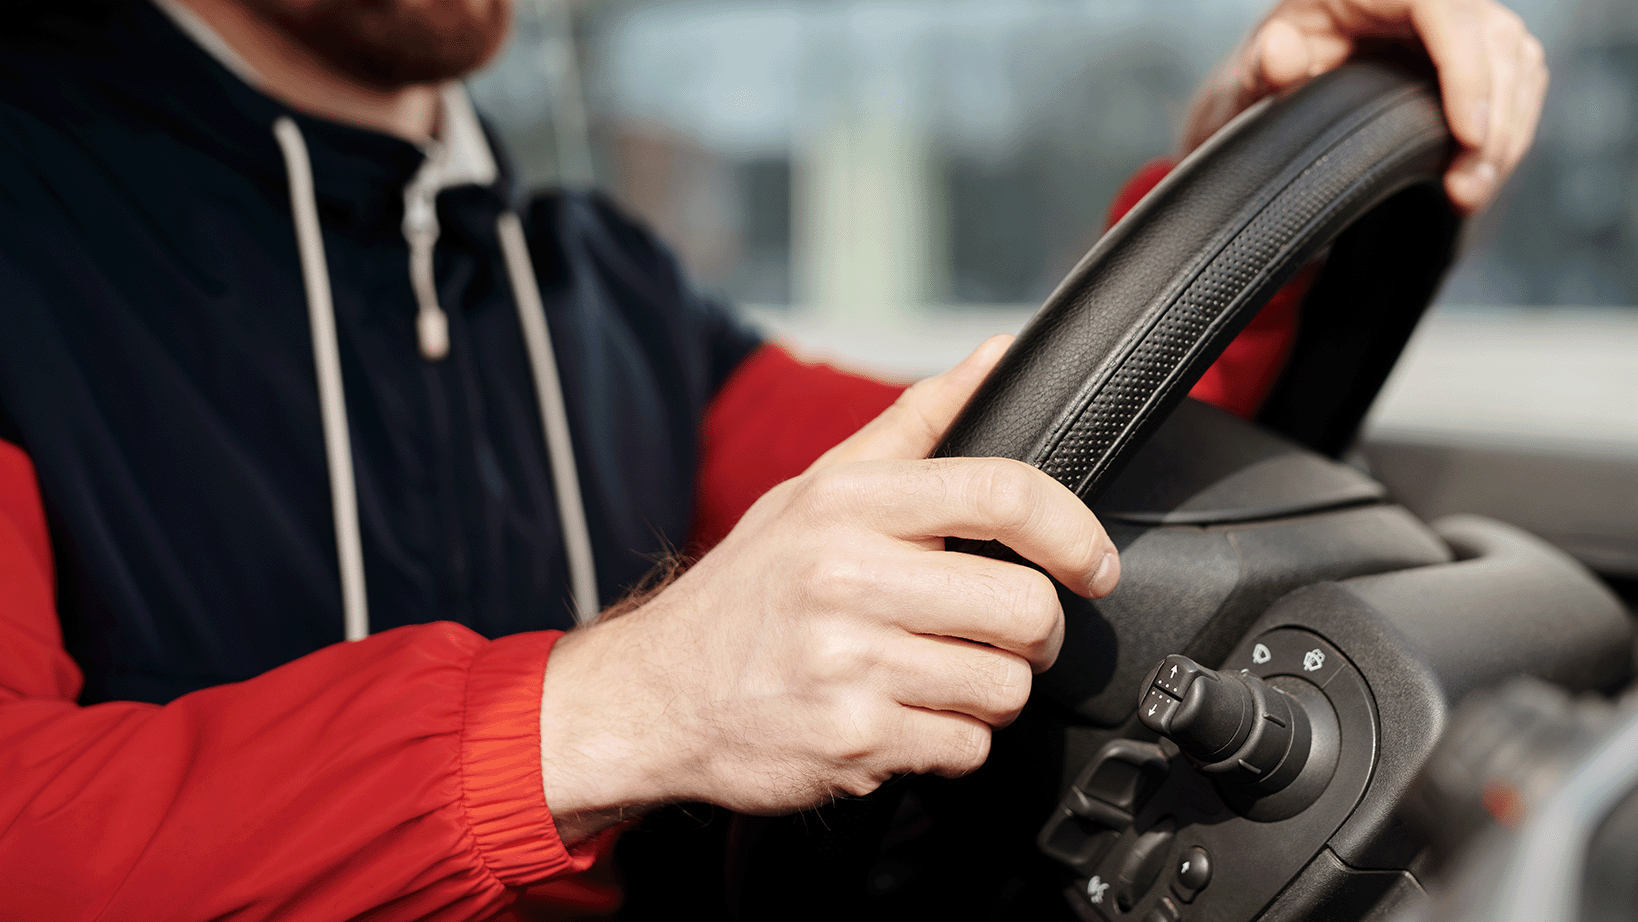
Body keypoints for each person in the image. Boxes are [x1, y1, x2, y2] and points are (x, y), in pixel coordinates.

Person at [0, 0, 1546, 918]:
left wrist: (1248, 190)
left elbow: (1019, 482)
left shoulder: (600, 286)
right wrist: (626, 707)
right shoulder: (38, 221)